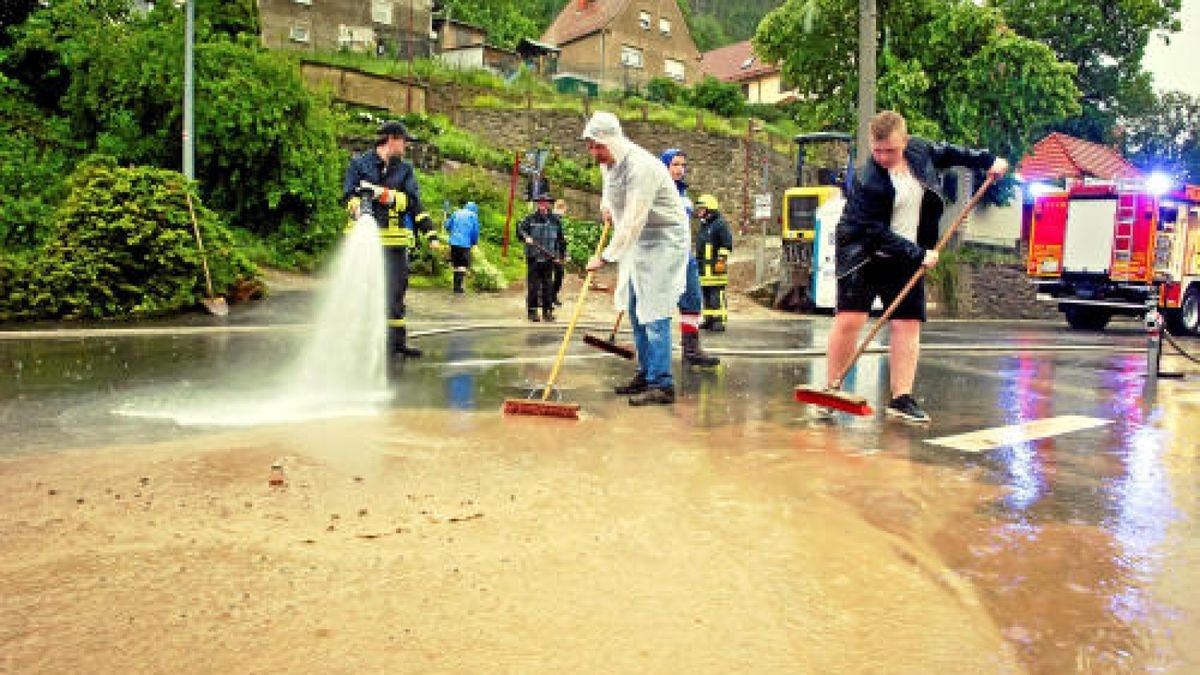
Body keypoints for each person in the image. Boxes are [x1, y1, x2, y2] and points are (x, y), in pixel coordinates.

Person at [824, 110, 1008, 423]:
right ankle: (830, 391)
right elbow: (873, 232)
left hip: (907, 254)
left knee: (907, 323)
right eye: (877, 150)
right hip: (863, 252)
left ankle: (901, 398)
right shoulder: (867, 180)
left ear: (905, 142)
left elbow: (952, 152)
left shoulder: (920, 151)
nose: (882, 157)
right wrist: (918, 254)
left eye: (890, 151)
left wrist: (988, 160)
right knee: (851, 318)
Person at [584, 112, 690, 406]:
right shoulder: (610, 164)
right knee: (634, 305)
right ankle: (645, 374)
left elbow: (633, 219)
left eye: (598, 146)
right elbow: (611, 194)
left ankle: (662, 383)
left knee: (654, 310)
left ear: (612, 141)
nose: (594, 153)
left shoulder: (641, 166)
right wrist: (606, 206)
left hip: (665, 238)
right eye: (590, 146)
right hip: (641, 240)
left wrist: (605, 257)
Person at [342, 119, 440, 359]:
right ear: (392, 139)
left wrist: (384, 195)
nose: (405, 146)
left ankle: (395, 344)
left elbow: (411, 202)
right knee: (363, 293)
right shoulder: (359, 164)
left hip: (395, 243)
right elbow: (347, 195)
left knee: (395, 294)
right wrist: (357, 207)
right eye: (404, 141)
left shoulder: (404, 170)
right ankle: (359, 344)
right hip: (364, 243)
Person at [659, 148, 720, 367]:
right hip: (666, 256)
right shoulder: (660, 192)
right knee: (660, 308)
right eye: (675, 164)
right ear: (664, 165)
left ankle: (691, 350)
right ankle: (656, 361)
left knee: (693, 301)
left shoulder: (683, 195)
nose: (680, 169)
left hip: (685, 256)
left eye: (683, 165)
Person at [516, 192, 565, 322]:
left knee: (548, 285)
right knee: (533, 285)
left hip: (549, 258)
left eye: (545, 202)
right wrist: (526, 237)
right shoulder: (530, 218)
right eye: (540, 202)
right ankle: (532, 312)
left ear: (549, 204)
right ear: (538, 204)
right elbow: (519, 230)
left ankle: (547, 312)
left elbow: (561, 240)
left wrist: (560, 256)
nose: (543, 205)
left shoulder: (555, 220)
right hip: (533, 257)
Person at [693, 193, 734, 332]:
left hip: (716, 269)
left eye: (702, 209)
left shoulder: (720, 224)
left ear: (710, 209)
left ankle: (719, 320)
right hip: (704, 270)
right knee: (706, 295)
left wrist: (721, 260)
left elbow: (727, 243)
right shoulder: (704, 225)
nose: (699, 211)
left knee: (717, 295)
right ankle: (709, 319)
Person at [444, 201, 480, 294]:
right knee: (462, 265)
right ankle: (459, 288)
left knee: (456, 264)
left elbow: (447, 226)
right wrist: (474, 242)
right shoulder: (473, 216)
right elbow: (475, 231)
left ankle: (455, 286)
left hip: (453, 242)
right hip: (465, 243)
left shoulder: (456, 213)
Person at [550, 199, 569, 307]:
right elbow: (556, 239)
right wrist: (558, 255)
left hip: (557, 252)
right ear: (562, 208)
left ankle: (552, 296)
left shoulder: (558, 219)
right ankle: (550, 297)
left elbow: (561, 239)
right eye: (564, 210)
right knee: (556, 275)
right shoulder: (554, 219)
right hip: (554, 253)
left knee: (557, 275)